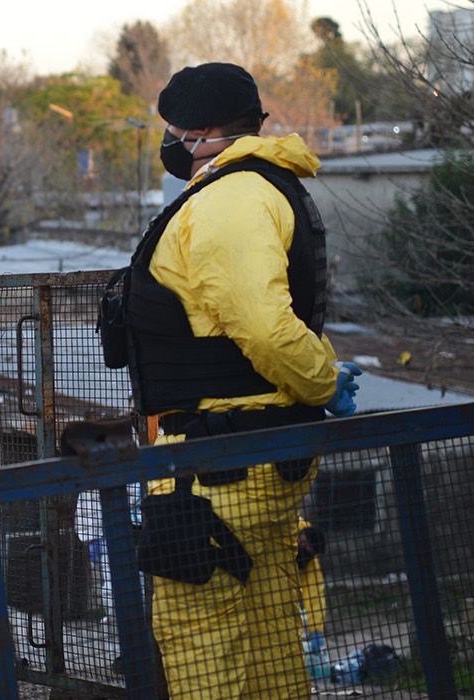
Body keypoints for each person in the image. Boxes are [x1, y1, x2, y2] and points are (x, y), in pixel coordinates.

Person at [119, 63, 363, 699]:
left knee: (200, 634)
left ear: (199, 133)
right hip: (254, 452)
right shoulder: (267, 187)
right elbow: (283, 311)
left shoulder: (230, 200)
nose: (168, 142)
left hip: (217, 461)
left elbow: (261, 322)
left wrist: (321, 381)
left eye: (172, 130)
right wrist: (325, 374)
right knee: (265, 630)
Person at [295, 520, 328, 657]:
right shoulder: (290, 525)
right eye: (303, 544)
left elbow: (314, 596)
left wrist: (316, 630)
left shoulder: (309, 561)